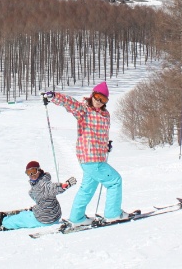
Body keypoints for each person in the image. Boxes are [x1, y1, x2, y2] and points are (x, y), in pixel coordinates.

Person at [42, 82, 127, 225]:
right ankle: (113, 214)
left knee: (87, 188)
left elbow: (98, 135)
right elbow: (70, 103)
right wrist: (54, 96)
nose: (99, 102)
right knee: (114, 181)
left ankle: (77, 218)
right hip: (90, 158)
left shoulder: (105, 114)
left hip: (96, 158)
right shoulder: (84, 110)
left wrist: (106, 145)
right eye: (97, 97)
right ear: (92, 95)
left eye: (103, 99)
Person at [0, 161, 76, 231]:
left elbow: (53, 188)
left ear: (39, 171)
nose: (32, 175)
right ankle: (35, 210)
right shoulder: (43, 180)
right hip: (55, 215)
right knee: (29, 212)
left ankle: (4, 222)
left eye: (34, 171)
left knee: (21, 219)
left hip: (45, 219)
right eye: (29, 173)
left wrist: (64, 185)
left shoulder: (43, 185)